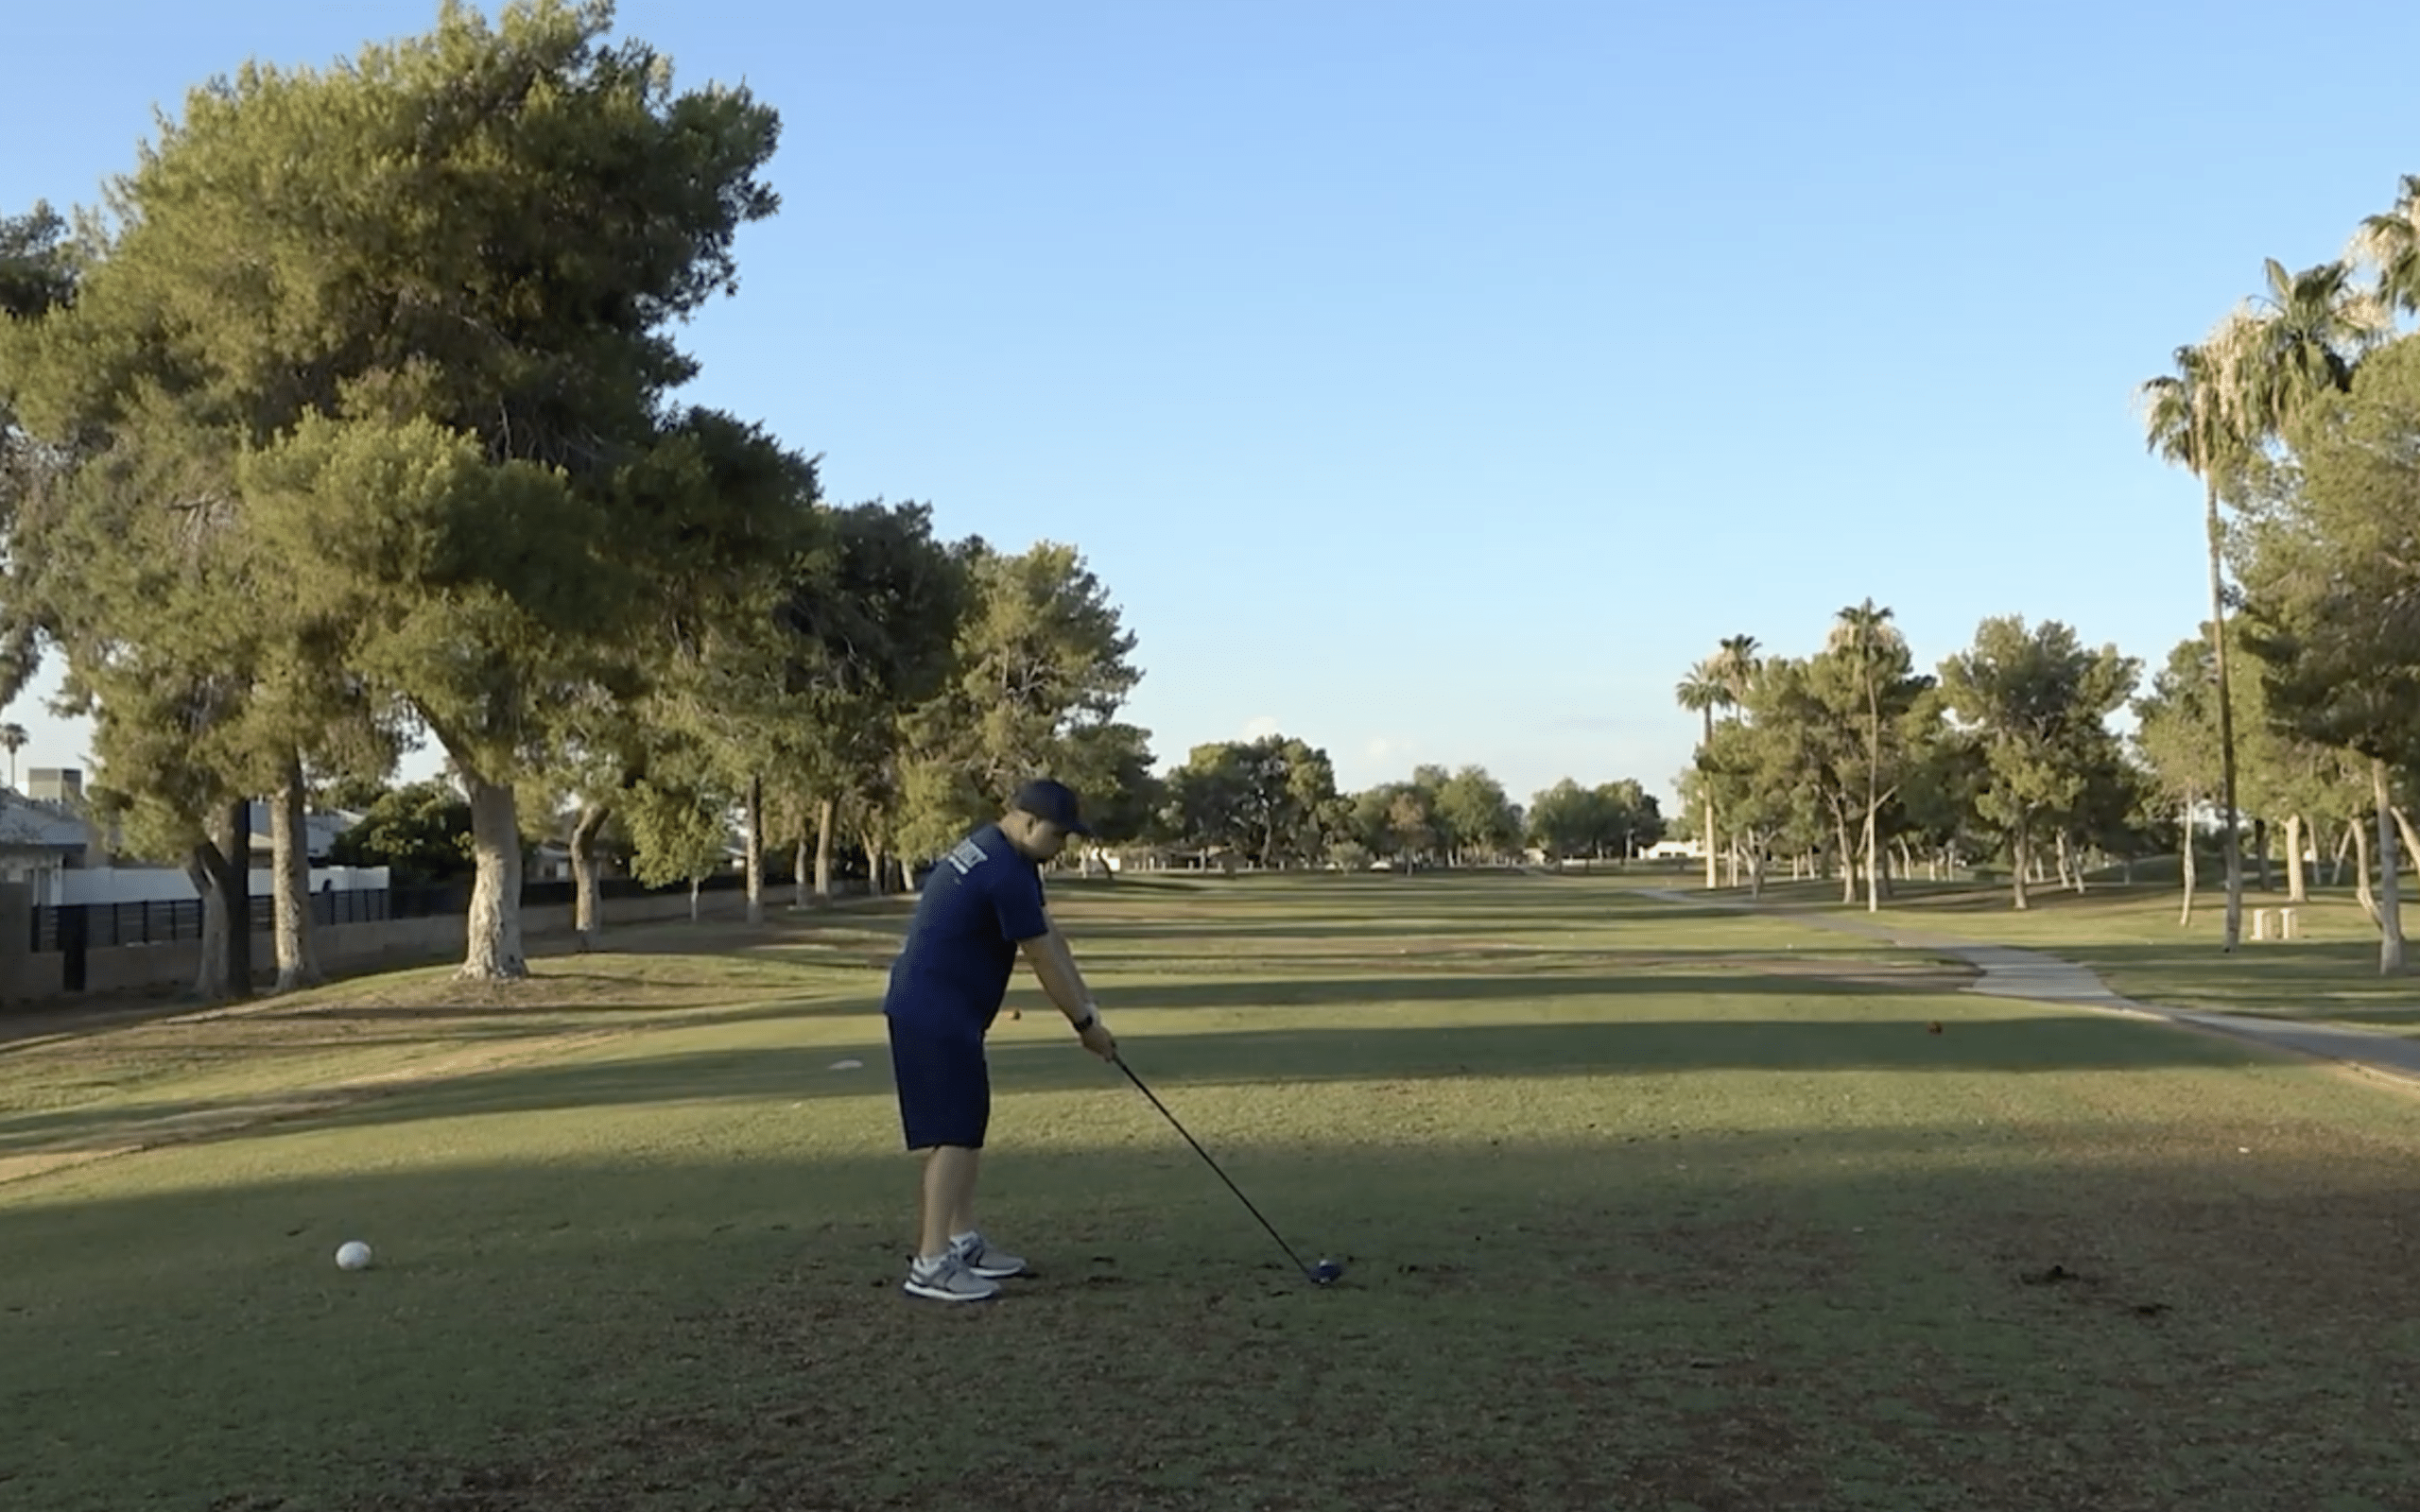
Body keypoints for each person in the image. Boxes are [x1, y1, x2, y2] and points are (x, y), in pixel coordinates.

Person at [882, 778, 1119, 1302]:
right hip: (933, 1010)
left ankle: (959, 1240)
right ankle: (931, 1263)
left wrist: (1089, 1008)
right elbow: (1038, 957)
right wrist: (1084, 1027)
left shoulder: (1005, 856)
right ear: (1028, 822)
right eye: (1059, 836)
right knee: (956, 1131)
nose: (1063, 848)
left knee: (963, 1127)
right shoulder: (1002, 871)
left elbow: (1051, 939)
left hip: (940, 1008)